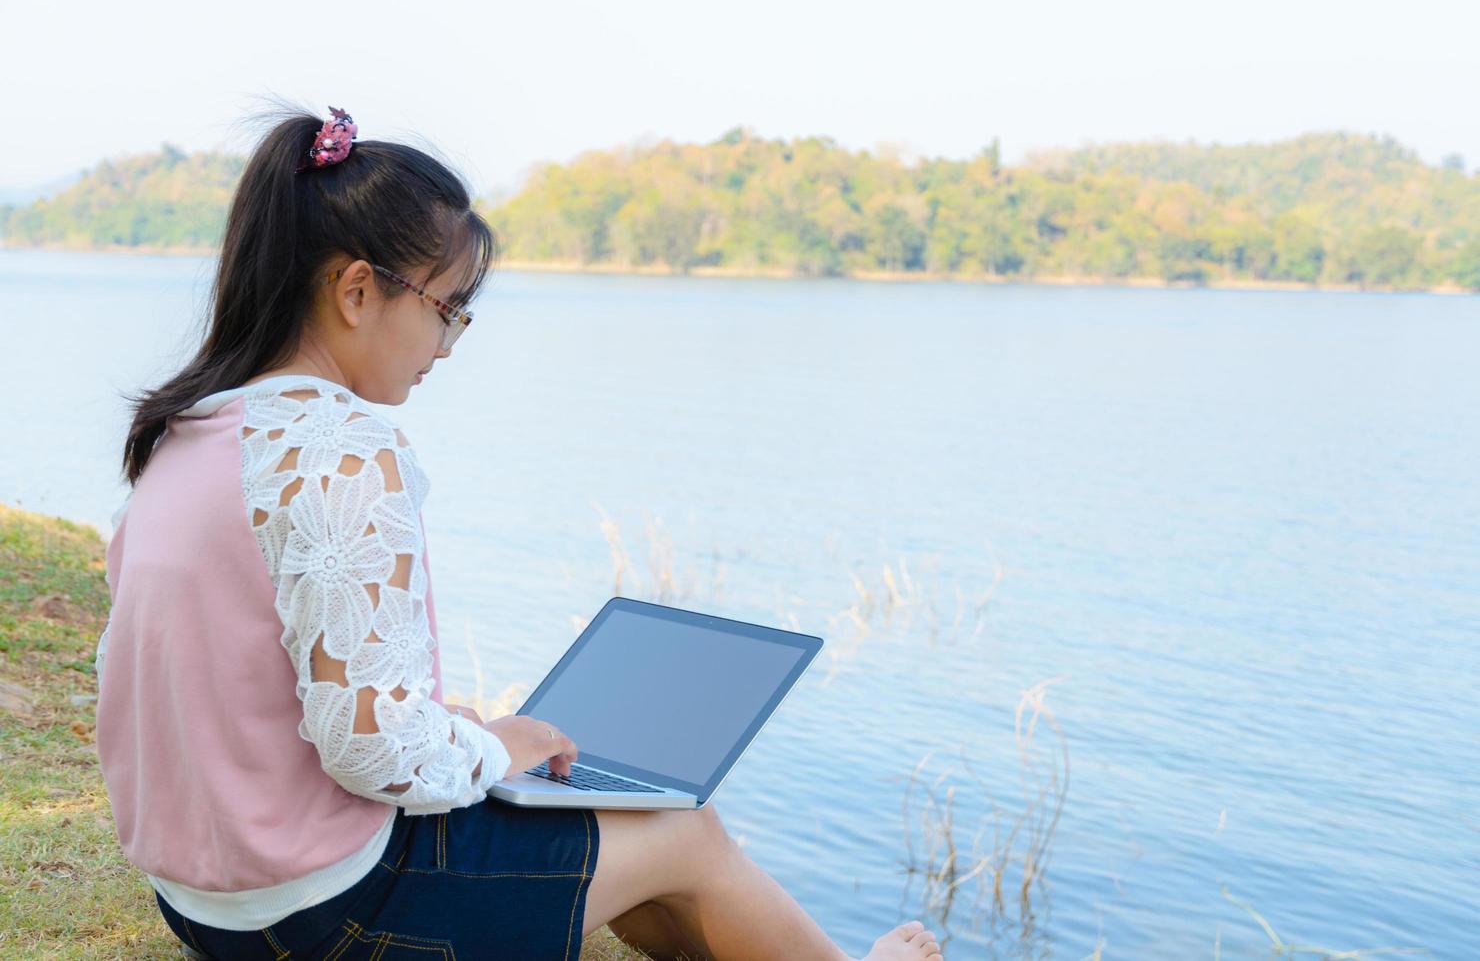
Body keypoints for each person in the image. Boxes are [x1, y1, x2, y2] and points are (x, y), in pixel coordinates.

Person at [93, 103, 946, 961]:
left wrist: (449, 731)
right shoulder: (338, 449)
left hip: (206, 904)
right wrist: (494, 743)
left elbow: (239, 685)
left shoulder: (190, 432)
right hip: (329, 911)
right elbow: (366, 750)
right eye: (447, 308)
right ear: (357, 291)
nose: (450, 343)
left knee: (614, 828)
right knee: (687, 830)